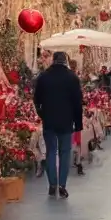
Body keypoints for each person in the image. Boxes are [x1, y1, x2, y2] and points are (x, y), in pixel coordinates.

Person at [32, 51, 83, 198]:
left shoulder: (44, 77)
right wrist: (78, 123)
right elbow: (77, 103)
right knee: (65, 153)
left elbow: (36, 99)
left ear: (53, 60)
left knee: (50, 151)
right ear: (65, 61)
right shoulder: (72, 78)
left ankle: (52, 184)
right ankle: (62, 185)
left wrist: (42, 114)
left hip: (49, 120)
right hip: (66, 121)